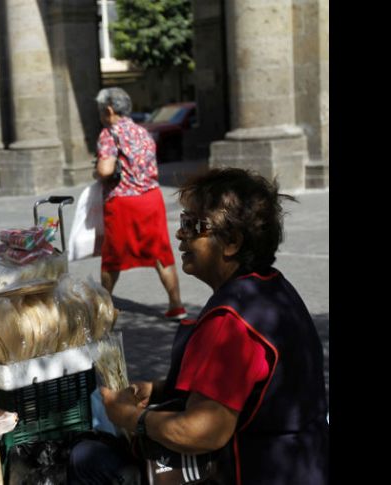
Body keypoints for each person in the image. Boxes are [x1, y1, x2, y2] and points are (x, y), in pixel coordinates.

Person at [68, 168, 329, 485]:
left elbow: (204, 432)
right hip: (307, 463)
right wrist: (159, 389)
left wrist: (133, 419)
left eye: (194, 226)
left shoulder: (231, 321)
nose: (180, 235)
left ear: (231, 242)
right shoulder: (272, 288)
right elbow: (241, 385)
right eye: (183, 223)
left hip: (260, 471)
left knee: (88, 459)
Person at [94, 87, 186, 320]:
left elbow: (105, 169)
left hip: (123, 202)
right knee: (161, 252)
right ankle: (176, 305)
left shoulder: (109, 133)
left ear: (109, 109)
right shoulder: (142, 131)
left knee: (113, 255)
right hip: (151, 200)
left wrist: (97, 173)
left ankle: (102, 306)